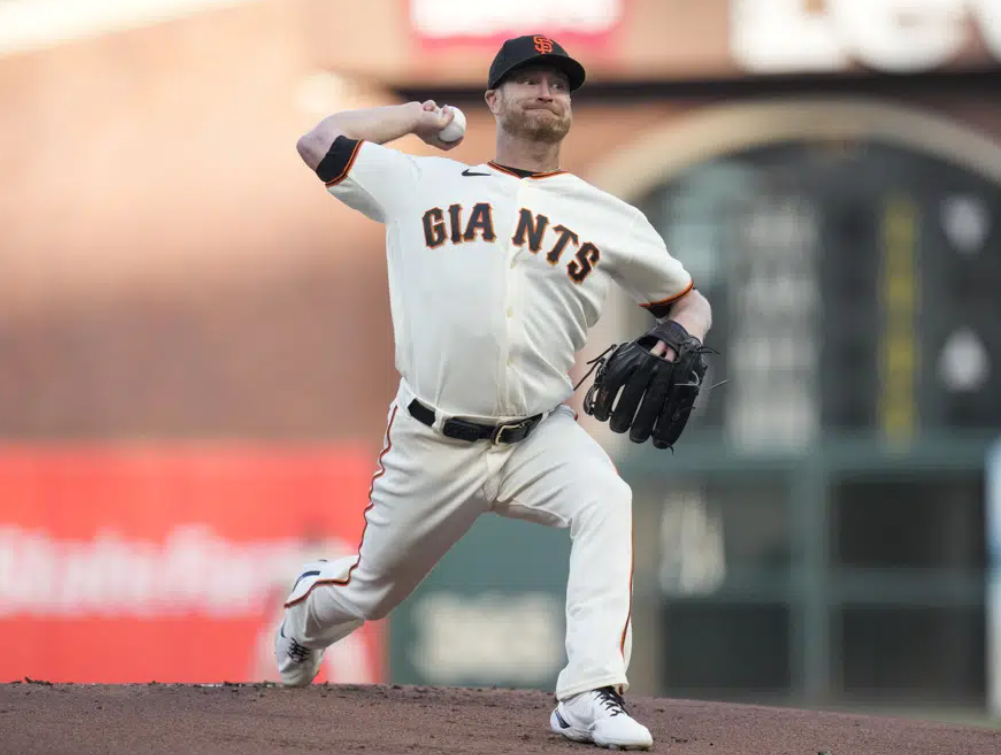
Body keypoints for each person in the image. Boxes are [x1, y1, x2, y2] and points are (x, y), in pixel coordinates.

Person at [278, 34, 713, 751]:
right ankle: (301, 621)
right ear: (493, 100)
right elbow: (318, 139)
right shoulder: (421, 182)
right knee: (368, 591)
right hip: (430, 440)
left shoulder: (607, 216)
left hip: (539, 435)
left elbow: (689, 300)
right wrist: (416, 120)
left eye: (559, 83)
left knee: (608, 499)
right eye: (528, 78)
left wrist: (681, 336)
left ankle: (588, 692)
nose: (546, 90)